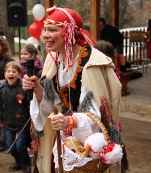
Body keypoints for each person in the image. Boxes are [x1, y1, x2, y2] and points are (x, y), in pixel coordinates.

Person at [23, 6, 123, 173]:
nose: (45, 35)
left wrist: (70, 121)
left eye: (52, 30)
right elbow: (55, 105)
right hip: (63, 138)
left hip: (89, 142)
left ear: (68, 32)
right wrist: (38, 89)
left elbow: (97, 114)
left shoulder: (91, 64)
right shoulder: (53, 59)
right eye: (45, 29)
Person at [0, 61, 31, 173]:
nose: (11, 73)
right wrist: (0, 118)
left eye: (14, 71)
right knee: (10, 146)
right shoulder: (1, 89)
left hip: (22, 122)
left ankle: (26, 164)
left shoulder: (24, 88)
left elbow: (30, 104)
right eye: (8, 71)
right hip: (8, 122)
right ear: (5, 74)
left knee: (21, 146)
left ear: (19, 74)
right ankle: (18, 162)